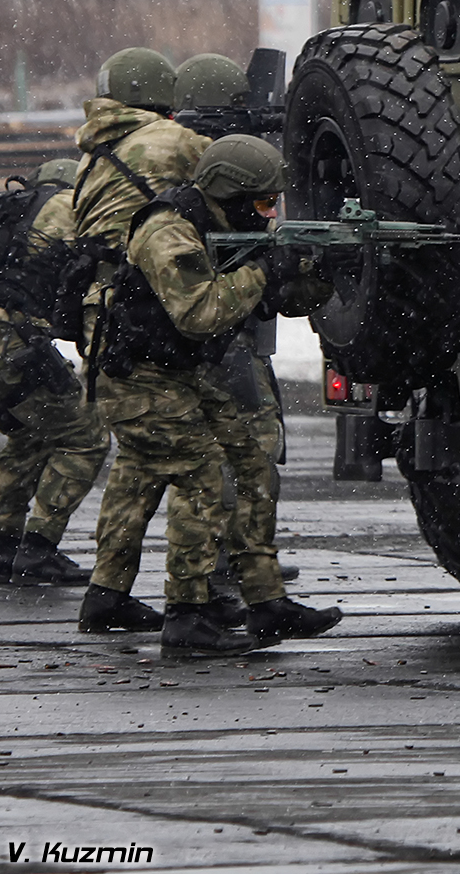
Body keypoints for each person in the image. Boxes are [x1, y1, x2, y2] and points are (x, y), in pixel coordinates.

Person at [85, 135, 340, 659]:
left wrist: (319, 271)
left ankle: (262, 602)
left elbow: (277, 301)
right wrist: (265, 269)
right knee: (204, 475)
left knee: (250, 459)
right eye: (265, 203)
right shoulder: (168, 231)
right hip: (137, 377)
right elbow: (199, 314)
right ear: (231, 193)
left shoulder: (228, 226)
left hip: (175, 372)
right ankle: (188, 617)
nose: (271, 215)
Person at [70, 47, 208, 635]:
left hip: (107, 323)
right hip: (150, 317)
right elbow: (241, 174)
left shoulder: (94, 154)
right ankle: (191, 610)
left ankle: (108, 593)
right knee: (202, 468)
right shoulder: (171, 143)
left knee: (140, 461)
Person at [0, 157, 107, 587]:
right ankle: (39, 550)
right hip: (6, 342)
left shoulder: (3, 212)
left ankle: (2, 550)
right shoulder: (65, 206)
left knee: (29, 436)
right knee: (86, 437)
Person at [172, 53, 295, 605]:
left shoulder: (156, 148)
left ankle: (225, 568)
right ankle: (230, 568)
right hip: (216, 322)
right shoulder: (208, 162)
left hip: (177, 324)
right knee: (248, 446)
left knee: (183, 460)